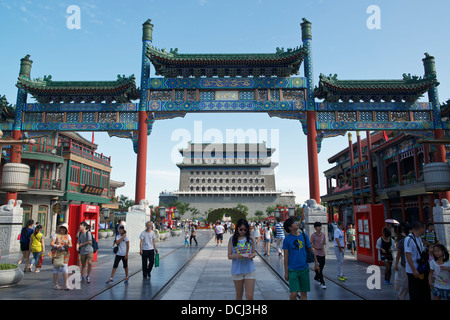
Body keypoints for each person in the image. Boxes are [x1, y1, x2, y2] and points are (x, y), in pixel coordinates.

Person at [282, 218, 320, 300]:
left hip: (304, 269)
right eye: (294, 223)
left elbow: (311, 249)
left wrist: (316, 263)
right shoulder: (287, 240)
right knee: (294, 293)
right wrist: (286, 272)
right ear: (289, 227)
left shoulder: (303, 235)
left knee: (304, 293)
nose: (297, 223)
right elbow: (285, 257)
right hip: (292, 270)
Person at [227, 218, 256, 300]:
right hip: (237, 270)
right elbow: (229, 256)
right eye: (241, 229)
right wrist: (236, 256)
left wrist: (252, 255)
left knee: (249, 296)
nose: (243, 231)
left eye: (245, 229)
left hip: (249, 269)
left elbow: (254, 253)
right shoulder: (232, 240)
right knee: (239, 296)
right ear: (237, 228)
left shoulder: (250, 239)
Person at [404, 221, 430, 300]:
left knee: (424, 292)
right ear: (421, 228)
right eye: (424, 228)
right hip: (413, 271)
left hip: (422, 268)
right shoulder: (408, 239)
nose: (425, 230)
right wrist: (414, 270)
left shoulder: (419, 238)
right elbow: (408, 255)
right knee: (415, 293)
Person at [49, 223, 72, 290]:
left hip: (65, 254)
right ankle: (56, 284)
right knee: (56, 268)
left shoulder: (68, 236)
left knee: (65, 269)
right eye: (61, 228)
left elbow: (71, 244)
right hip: (57, 253)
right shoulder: (56, 235)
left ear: (66, 229)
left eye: (64, 228)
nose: (62, 229)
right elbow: (52, 243)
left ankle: (66, 284)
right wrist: (57, 246)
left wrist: (67, 246)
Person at [394, 222, 410, 299]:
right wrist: (396, 264)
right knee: (405, 283)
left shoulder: (416, 239)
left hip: (413, 264)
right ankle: (401, 297)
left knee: (409, 283)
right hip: (405, 263)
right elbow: (398, 252)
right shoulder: (401, 239)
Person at [310, 221, 327, 289]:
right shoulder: (313, 235)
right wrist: (316, 247)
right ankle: (322, 281)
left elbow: (325, 242)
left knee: (321, 266)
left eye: (320, 226)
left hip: (322, 252)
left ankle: (316, 277)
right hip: (316, 253)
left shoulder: (323, 234)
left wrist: (324, 243)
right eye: (318, 226)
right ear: (315, 228)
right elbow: (310, 244)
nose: (320, 228)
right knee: (319, 268)